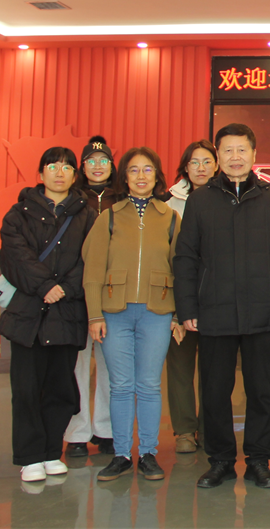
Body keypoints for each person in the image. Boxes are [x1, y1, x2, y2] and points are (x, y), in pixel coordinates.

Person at [173, 123, 270, 489]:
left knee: (262, 391)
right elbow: (186, 257)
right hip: (214, 311)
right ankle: (221, 461)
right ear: (218, 157)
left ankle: (259, 460)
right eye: (227, 150)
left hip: (264, 310)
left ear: (254, 154)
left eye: (242, 150)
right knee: (215, 391)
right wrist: (188, 308)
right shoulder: (200, 200)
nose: (235, 157)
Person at [0, 147, 97, 482]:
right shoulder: (18, 214)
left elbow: (90, 259)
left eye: (67, 167)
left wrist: (65, 288)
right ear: (41, 174)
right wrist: (45, 286)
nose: (59, 172)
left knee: (60, 387)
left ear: (75, 175)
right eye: (52, 166)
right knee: (26, 388)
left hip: (67, 311)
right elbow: (15, 257)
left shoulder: (87, 215)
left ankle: (52, 451)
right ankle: (29, 457)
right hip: (29, 312)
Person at [82, 147, 182, 482]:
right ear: (124, 177)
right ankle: (122, 454)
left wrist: (178, 315)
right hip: (115, 313)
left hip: (157, 311)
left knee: (150, 385)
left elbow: (182, 268)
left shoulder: (170, 218)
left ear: (157, 176)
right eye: (134, 170)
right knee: (121, 386)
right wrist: (94, 315)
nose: (141, 176)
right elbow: (93, 270)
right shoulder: (109, 217)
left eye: (148, 169)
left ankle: (149, 453)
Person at [65, 135, 116, 458]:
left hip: (113, 292)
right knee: (77, 365)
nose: (98, 166)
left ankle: (107, 430)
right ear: (82, 168)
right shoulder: (71, 200)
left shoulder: (122, 199)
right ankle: (77, 433)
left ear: (112, 166)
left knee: (111, 364)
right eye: (91, 161)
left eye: (103, 160)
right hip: (76, 292)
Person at [164, 139, 217, 454]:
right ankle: (184, 430)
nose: (201, 168)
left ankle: (210, 429)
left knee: (213, 370)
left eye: (207, 161)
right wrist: (175, 310)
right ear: (185, 167)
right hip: (178, 301)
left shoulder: (226, 200)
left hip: (214, 301)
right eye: (195, 162)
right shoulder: (168, 205)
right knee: (180, 368)